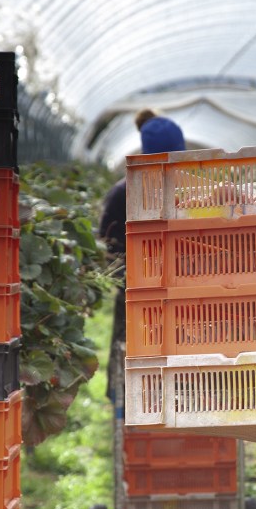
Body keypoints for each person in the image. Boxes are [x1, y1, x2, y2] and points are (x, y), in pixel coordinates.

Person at [98, 109, 186, 398]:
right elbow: (108, 247)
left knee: (141, 354)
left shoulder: (121, 192)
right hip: (165, 292)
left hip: (143, 291)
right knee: (163, 354)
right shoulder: (190, 188)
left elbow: (106, 244)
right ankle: (141, 409)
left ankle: (132, 407)